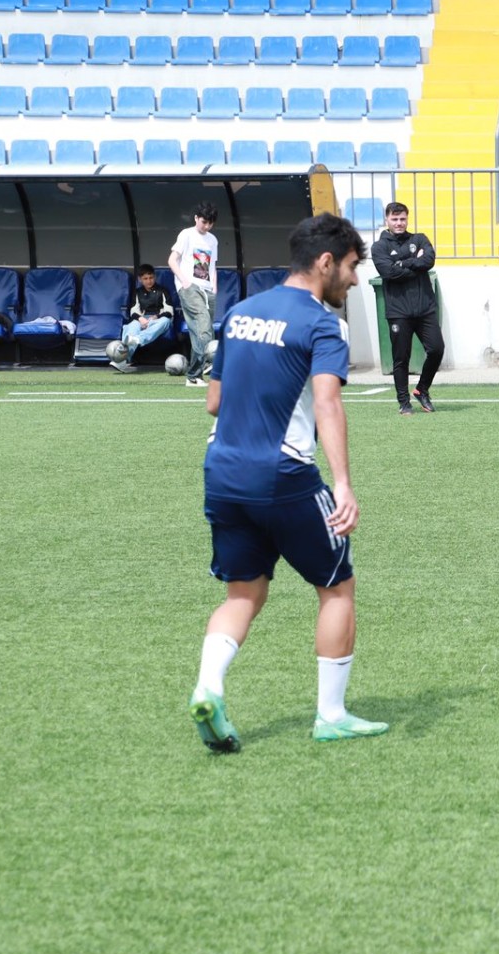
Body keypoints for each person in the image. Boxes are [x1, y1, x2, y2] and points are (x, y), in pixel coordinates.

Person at [187, 214, 387, 753]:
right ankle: (331, 714)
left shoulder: (239, 312)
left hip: (221, 472)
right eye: (349, 267)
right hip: (283, 474)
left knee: (245, 590)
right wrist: (343, 484)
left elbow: (213, 401)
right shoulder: (323, 324)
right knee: (337, 586)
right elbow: (327, 401)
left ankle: (208, 687)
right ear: (326, 262)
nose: (352, 279)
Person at [371, 201, 444, 415]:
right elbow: (389, 273)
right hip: (399, 312)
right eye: (394, 219)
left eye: (402, 219)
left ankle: (422, 390)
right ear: (387, 220)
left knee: (437, 350)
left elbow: (429, 261)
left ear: (407, 219)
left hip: (425, 308)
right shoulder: (379, 247)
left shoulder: (419, 239)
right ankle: (404, 402)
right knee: (401, 358)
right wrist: (414, 262)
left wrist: (402, 264)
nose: (399, 223)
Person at [169, 203, 220, 387]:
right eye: (204, 222)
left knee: (204, 331)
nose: (206, 226)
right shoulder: (186, 234)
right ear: (196, 218)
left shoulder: (213, 240)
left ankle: (195, 375)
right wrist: (184, 282)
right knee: (203, 327)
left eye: (210, 223)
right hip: (190, 287)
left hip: (208, 289)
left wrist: (214, 288)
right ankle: (199, 369)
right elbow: (172, 260)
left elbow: (212, 266)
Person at [110, 263, 173, 372]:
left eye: (151, 277)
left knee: (165, 321)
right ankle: (124, 360)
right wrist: (140, 319)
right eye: (145, 278)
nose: (149, 281)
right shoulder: (137, 292)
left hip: (158, 321)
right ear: (140, 279)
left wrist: (156, 317)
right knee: (132, 326)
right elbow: (133, 311)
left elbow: (169, 311)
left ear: (155, 277)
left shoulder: (163, 291)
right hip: (142, 320)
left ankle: (139, 339)